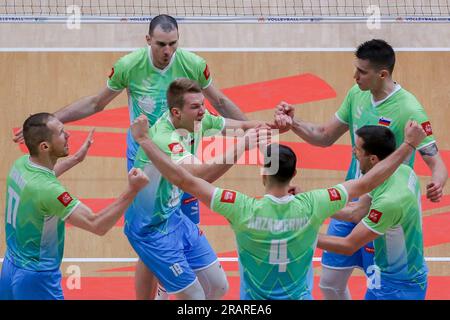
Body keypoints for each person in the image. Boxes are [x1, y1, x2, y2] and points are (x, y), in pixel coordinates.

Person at [12, 14, 248, 300]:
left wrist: (257, 133)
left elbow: (220, 103)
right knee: (151, 233)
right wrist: (45, 124)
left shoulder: (194, 65)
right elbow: (95, 103)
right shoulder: (129, 66)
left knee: (180, 227)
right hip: (146, 161)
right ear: (148, 40)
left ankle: (170, 283)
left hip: (182, 155)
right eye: (161, 44)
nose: (167, 51)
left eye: (173, 44)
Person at [130, 110, 427, 299]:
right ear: (294, 175)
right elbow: (364, 184)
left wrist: (145, 141)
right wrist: (407, 146)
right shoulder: (314, 204)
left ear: (262, 174)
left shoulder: (241, 207)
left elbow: (186, 181)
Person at [275, 39, 448, 299]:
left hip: (384, 208)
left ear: (383, 74)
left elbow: (436, 161)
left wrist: (438, 182)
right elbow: (324, 135)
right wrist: (293, 123)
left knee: (378, 284)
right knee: (330, 284)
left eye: (362, 72)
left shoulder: (409, 109)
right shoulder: (357, 94)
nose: (355, 76)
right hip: (354, 199)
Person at [125, 78, 274, 300]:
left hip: (173, 217)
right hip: (150, 228)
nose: (203, 111)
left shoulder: (197, 120)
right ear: (176, 112)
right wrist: (243, 145)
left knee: (218, 287)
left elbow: (242, 126)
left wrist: (276, 125)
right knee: (195, 296)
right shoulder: (164, 138)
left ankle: (163, 288)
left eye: (203, 104)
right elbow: (201, 177)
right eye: (195, 107)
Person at [1, 113, 149, 300]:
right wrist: (132, 190)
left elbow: (43, 180)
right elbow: (97, 224)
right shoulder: (49, 191)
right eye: (62, 133)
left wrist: (76, 158)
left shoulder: (21, 165)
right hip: (36, 277)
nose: (68, 135)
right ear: (44, 146)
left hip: (11, 265)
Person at [317, 125, 428, 300]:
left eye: (358, 150)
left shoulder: (389, 202)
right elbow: (356, 211)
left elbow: (349, 245)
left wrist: (303, 235)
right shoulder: (401, 172)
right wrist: (309, 206)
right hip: (383, 278)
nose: (354, 152)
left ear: (374, 159)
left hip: (400, 288)